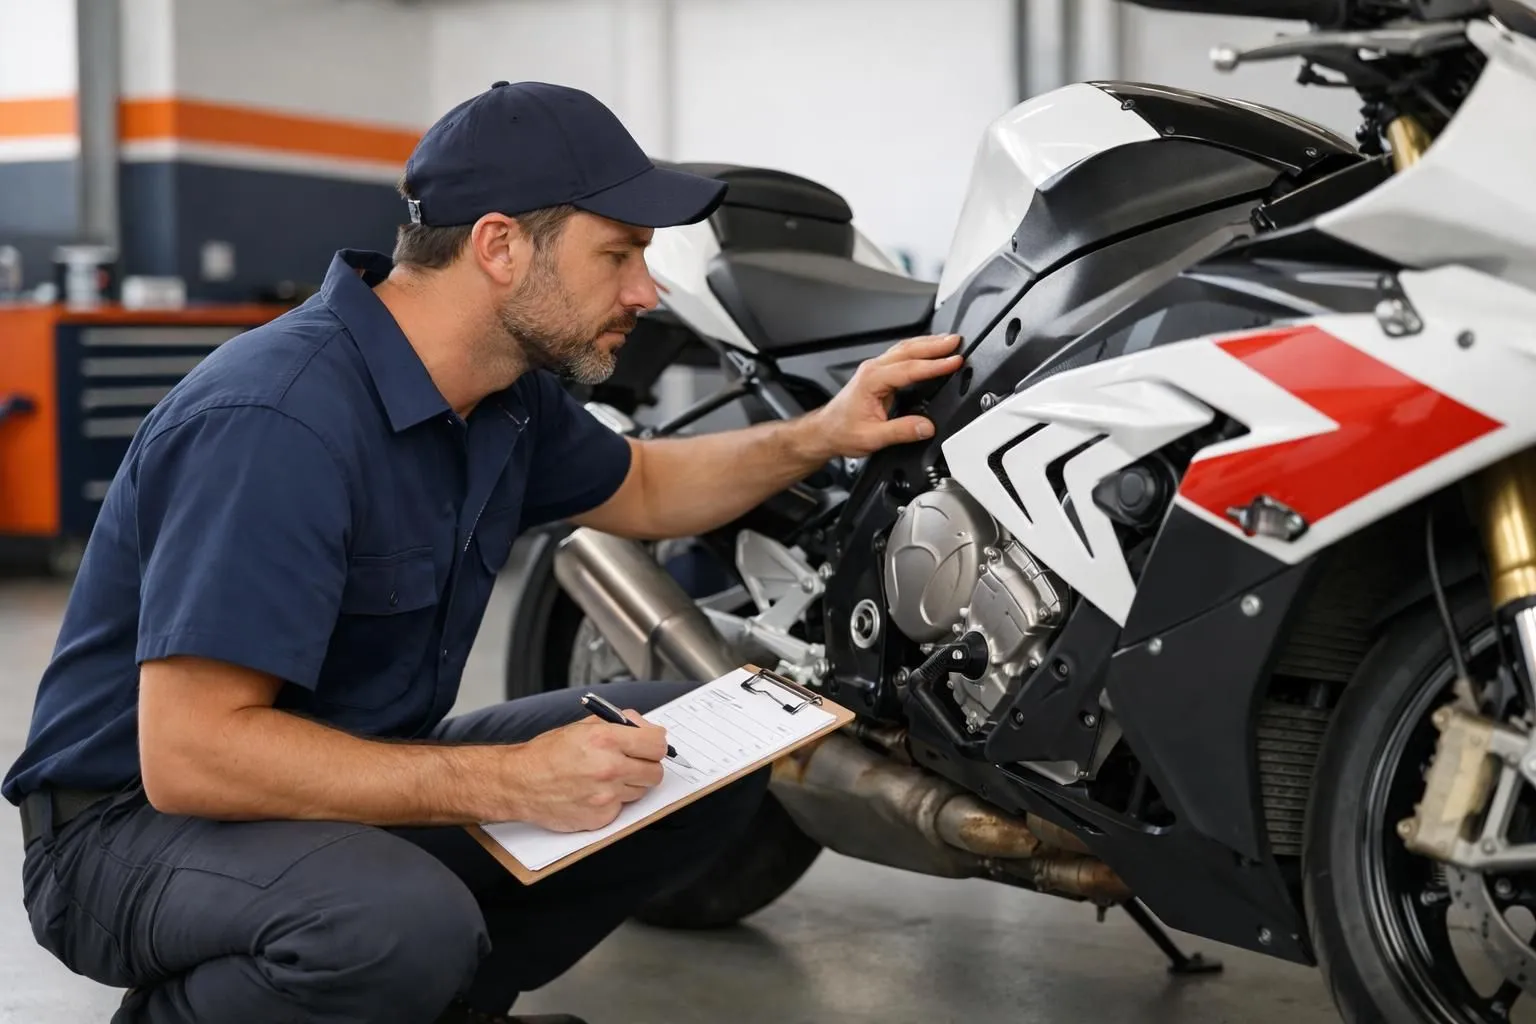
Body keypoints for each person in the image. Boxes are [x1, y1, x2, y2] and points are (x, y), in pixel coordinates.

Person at [2, 81, 963, 1024]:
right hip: (130, 830)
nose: (646, 289)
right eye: (619, 253)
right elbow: (193, 756)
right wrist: (513, 779)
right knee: (391, 926)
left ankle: (444, 1002)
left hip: (346, 779)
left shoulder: (504, 392)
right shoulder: (278, 421)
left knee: (694, 756)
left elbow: (646, 486)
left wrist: (822, 434)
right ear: (500, 246)